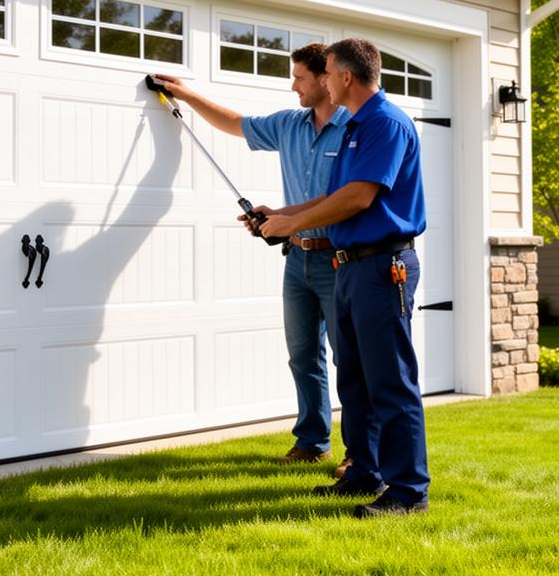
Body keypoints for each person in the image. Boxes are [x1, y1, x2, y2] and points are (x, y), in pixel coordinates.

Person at [155, 44, 353, 470]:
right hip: (296, 259)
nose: (293, 85)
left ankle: (359, 453)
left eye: (300, 76)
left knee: (349, 359)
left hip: (338, 259)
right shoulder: (288, 125)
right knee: (303, 355)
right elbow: (236, 124)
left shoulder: (354, 128)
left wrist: (283, 215)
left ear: (326, 78)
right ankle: (312, 441)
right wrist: (186, 95)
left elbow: (344, 197)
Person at [258, 38, 429, 516]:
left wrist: (291, 226)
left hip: (383, 267)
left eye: (328, 73)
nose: (324, 81)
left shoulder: (385, 124)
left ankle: (408, 492)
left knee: (390, 382)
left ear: (347, 78)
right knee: (353, 379)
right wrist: (282, 212)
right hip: (349, 265)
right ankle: (364, 473)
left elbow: (358, 198)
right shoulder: (353, 128)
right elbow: (327, 199)